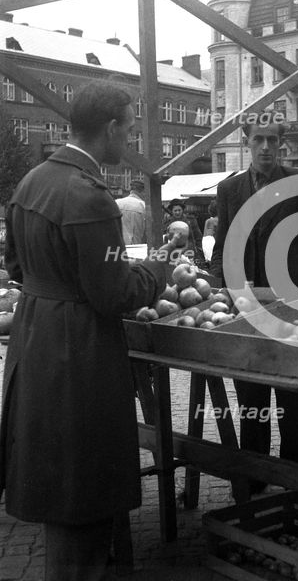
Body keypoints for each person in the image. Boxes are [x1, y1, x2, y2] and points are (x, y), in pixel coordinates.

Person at [0, 83, 180, 581]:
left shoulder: (31, 182)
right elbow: (113, 293)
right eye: (128, 127)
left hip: (35, 336)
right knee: (82, 476)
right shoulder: (90, 196)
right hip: (78, 350)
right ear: (110, 128)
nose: (128, 139)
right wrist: (160, 268)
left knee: (58, 473)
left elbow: (15, 264)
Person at [210, 110, 298, 494]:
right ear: (246, 142)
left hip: (290, 309)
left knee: (293, 399)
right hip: (246, 311)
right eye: (257, 140)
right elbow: (224, 247)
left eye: (272, 141)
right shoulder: (230, 190)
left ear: (282, 145)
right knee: (251, 399)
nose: (265, 147)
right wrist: (219, 294)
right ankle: (254, 477)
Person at [163, 198, 203, 263]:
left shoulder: (191, 221)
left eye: (179, 210)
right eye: (175, 210)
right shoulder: (168, 223)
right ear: (172, 211)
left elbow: (198, 237)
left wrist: (199, 252)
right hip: (174, 252)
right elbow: (165, 238)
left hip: (189, 251)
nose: (177, 212)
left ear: (183, 210)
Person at [115, 177, 146, 245]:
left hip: (117, 246)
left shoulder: (116, 203)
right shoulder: (143, 206)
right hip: (137, 247)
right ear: (143, 191)